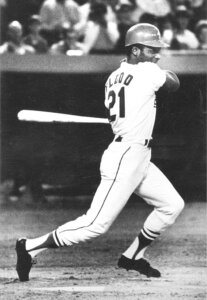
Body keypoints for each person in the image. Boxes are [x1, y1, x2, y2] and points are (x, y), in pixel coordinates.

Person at [16, 23, 185, 282]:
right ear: (136, 50)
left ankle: (132, 257)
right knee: (95, 225)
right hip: (126, 156)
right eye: (152, 50)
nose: (157, 55)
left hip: (137, 154)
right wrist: (159, 69)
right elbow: (174, 84)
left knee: (171, 205)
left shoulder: (113, 76)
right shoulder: (146, 71)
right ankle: (30, 247)